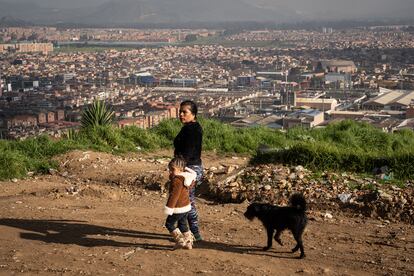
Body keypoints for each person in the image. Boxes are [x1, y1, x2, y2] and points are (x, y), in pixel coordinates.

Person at [174, 100, 203, 241]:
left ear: (193, 114)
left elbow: (188, 152)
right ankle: (186, 231)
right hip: (189, 167)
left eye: (184, 112)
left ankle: (194, 233)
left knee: (186, 202)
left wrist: (179, 169)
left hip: (188, 169)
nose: (181, 114)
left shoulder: (192, 129)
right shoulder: (191, 127)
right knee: (183, 201)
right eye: (180, 111)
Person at [164, 156, 197, 250]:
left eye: (172, 169)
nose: (170, 171)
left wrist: (169, 208)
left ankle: (180, 241)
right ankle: (189, 242)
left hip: (178, 207)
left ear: (180, 169)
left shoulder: (177, 180)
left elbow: (174, 195)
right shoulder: (186, 178)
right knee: (183, 225)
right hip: (186, 206)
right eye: (169, 169)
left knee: (169, 224)